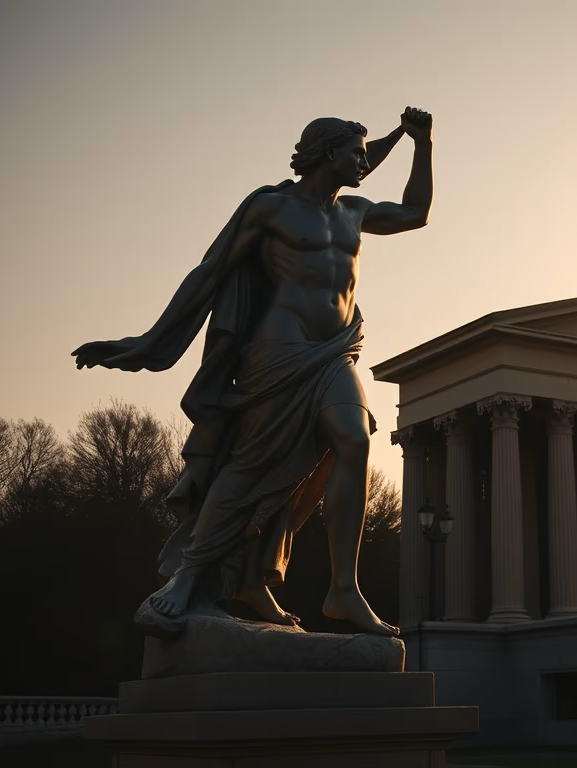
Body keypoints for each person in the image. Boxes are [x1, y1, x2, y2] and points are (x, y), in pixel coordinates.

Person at [73, 107, 434, 639]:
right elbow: (211, 271)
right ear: (327, 152)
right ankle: (190, 574)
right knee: (249, 467)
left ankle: (343, 590)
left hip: (335, 351)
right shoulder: (271, 209)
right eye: (356, 153)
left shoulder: (355, 212)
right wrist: (150, 341)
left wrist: (420, 143)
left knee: (353, 440)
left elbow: (416, 213)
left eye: (366, 153)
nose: (365, 162)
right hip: (278, 349)